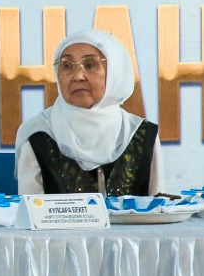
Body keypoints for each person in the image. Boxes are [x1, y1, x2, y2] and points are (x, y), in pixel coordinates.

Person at [14, 28, 162, 196]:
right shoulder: (38, 133)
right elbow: (30, 209)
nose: (78, 76)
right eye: (67, 66)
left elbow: (159, 206)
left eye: (90, 65)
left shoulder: (142, 133)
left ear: (114, 72)